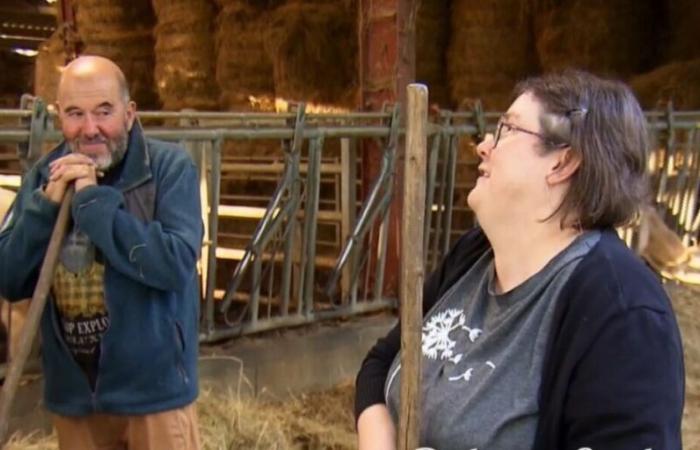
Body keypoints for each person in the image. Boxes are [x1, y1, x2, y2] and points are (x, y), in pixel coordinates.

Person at [354, 71, 685, 450]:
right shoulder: (474, 256)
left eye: (508, 129)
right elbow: (381, 364)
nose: (483, 145)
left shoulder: (624, 313)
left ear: (563, 163)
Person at [0, 56, 203, 449]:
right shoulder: (45, 177)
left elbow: (175, 262)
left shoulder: (167, 168)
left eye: (103, 112)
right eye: (75, 114)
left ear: (129, 114)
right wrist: (42, 211)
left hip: (153, 396)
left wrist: (94, 204)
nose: (90, 129)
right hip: (77, 398)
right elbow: (8, 276)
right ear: (60, 117)